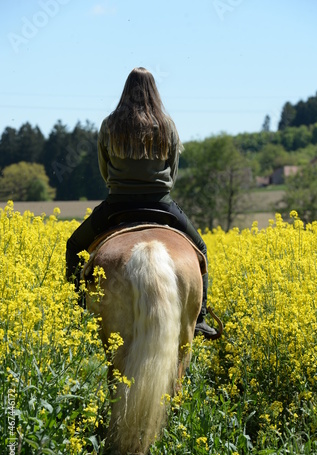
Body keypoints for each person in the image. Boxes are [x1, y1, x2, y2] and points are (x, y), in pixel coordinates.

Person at [66, 67, 218, 339]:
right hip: (161, 203)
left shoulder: (110, 124)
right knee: (201, 250)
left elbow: (105, 168)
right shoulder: (167, 125)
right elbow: (173, 171)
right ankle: (200, 319)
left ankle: (74, 312)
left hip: (117, 203)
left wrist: (120, 185)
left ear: (126, 89)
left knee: (74, 246)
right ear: (154, 90)